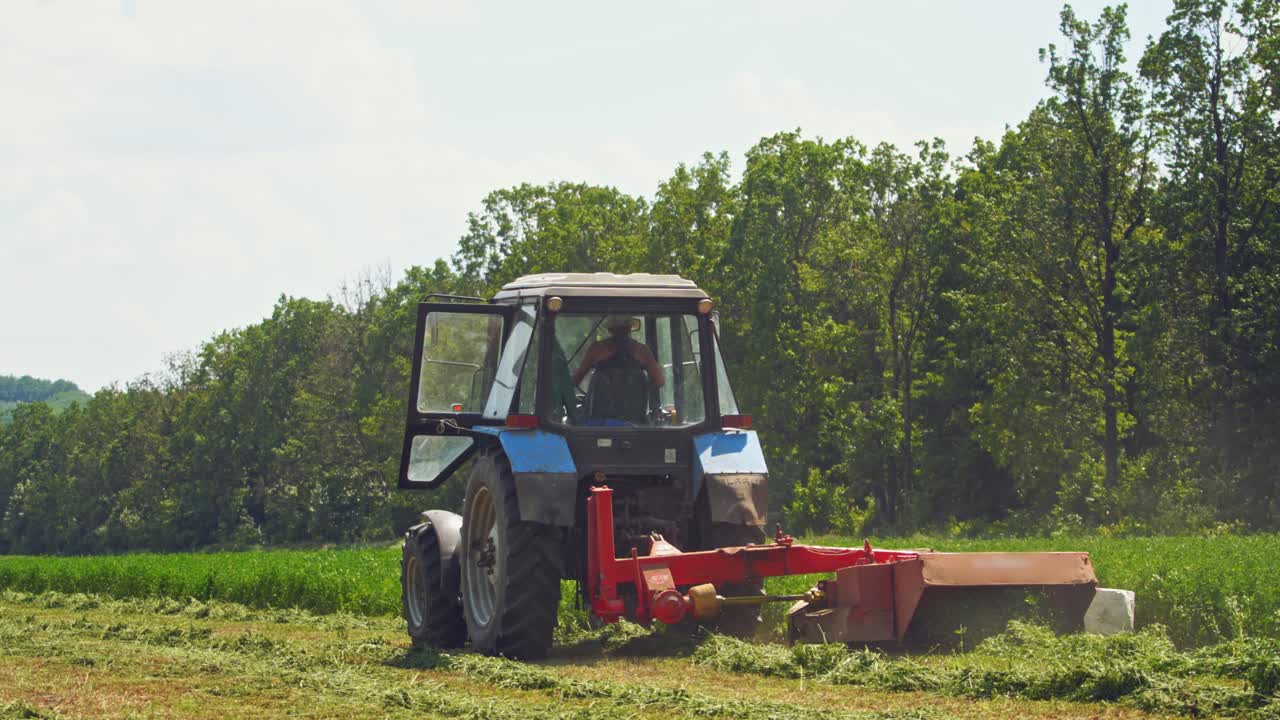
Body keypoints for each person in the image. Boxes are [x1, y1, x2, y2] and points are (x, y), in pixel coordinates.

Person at [572, 315, 665, 388]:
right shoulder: (642, 351)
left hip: (601, 412)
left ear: (610, 329)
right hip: (634, 412)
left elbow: (576, 379)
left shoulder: (596, 349)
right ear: (629, 328)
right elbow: (659, 381)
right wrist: (639, 388)